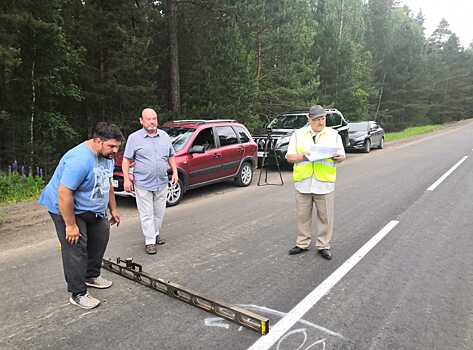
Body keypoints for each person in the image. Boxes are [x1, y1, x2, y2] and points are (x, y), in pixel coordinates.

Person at [38, 122, 123, 309]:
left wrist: (113, 209)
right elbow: (64, 193)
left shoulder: (107, 156)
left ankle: (91, 275)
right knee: (75, 248)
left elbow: (107, 183)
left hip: (91, 208)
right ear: (97, 141)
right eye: (111, 146)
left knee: (100, 237)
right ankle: (78, 293)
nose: (115, 151)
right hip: (65, 207)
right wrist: (70, 225)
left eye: (118, 146)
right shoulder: (80, 160)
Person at [286, 105, 345, 260]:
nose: (321, 122)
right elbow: (289, 157)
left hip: (324, 183)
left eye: (323, 118)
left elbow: (342, 155)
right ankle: (302, 243)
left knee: (325, 217)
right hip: (303, 182)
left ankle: (323, 245)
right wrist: (304, 157)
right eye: (317, 119)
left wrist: (337, 157)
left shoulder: (333, 134)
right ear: (309, 119)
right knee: (302, 216)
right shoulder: (298, 134)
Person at [122, 108, 178, 255]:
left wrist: (175, 172)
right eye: (149, 119)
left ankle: (155, 233)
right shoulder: (134, 138)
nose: (152, 121)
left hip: (161, 182)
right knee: (146, 213)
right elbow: (126, 160)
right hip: (143, 183)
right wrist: (127, 179)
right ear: (141, 120)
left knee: (159, 212)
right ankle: (150, 242)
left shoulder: (164, 136)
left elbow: (171, 155)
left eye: (154, 118)